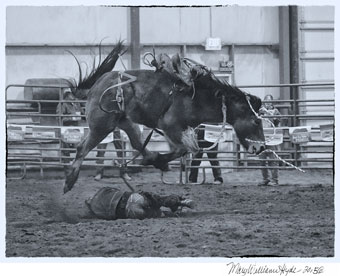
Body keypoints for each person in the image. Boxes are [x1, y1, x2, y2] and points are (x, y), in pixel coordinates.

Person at [85, 187, 195, 220]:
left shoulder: (96, 210)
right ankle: (180, 201)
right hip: (133, 198)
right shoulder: (103, 191)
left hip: (126, 212)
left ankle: (169, 214)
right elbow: (118, 190)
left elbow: (109, 217)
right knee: (158, 200)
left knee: (156, 214)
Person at [258, 94, 281, 186]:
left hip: (271, 138)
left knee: (272, 159)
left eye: (269, 101)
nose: (267, 103)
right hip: (262, 137)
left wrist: (269, 114)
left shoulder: (276, 111)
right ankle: (265, 179)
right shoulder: (260, 111)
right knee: (262, 160)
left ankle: (275, 180)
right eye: (266, 101)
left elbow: (278, 122)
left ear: (272, 102)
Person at [56, 89, 83, 163]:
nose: (73, 96)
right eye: (71, 94)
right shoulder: (63, 104)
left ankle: (75, 161)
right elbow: (59, 117)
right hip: (66, 129)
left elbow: (82, 113)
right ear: (67, 95)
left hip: (76, 128)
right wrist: (72, 117)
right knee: (66, 146)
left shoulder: (76, 103)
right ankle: (66, 162)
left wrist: (81, 115)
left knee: (78, 145)